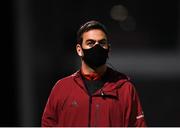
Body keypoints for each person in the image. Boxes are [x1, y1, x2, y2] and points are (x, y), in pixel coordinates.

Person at [41, 20, 147, 127]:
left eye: (102, 43)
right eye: (90, 43)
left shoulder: (124, 89)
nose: (97, 47)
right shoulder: (62, 88)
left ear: (108, 49)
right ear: (79, 50)